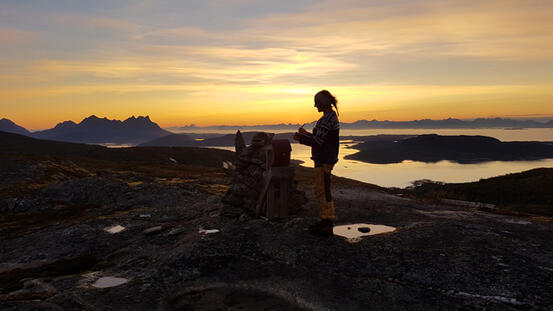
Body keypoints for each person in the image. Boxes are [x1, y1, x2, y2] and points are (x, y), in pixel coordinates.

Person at [293, 90, 340, 236]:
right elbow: (320, 138)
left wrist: (300, 139)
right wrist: (306, 134)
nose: (315, 106)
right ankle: (325, 221)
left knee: (322, 190)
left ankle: (327, 223)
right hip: (325, 157)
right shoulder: (329, 117)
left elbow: (319, 142)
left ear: (323, 103)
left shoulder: (327, 119)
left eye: (317, 102)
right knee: (322, 189)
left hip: (324, 158)